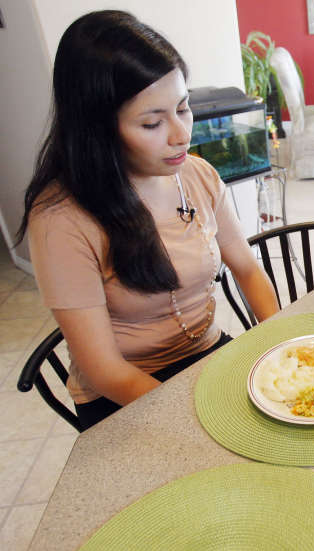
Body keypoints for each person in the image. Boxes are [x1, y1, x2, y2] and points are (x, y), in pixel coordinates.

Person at [15, 11, 280, 430]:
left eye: (183, 107)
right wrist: (200, 417)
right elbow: (104, 369)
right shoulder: (61, 220)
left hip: (205, 357)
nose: (180, 134)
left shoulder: (198, 175)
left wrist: (277, 340)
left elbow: (246, 268)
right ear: (98, 129)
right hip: (123, 391)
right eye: (152, 123)